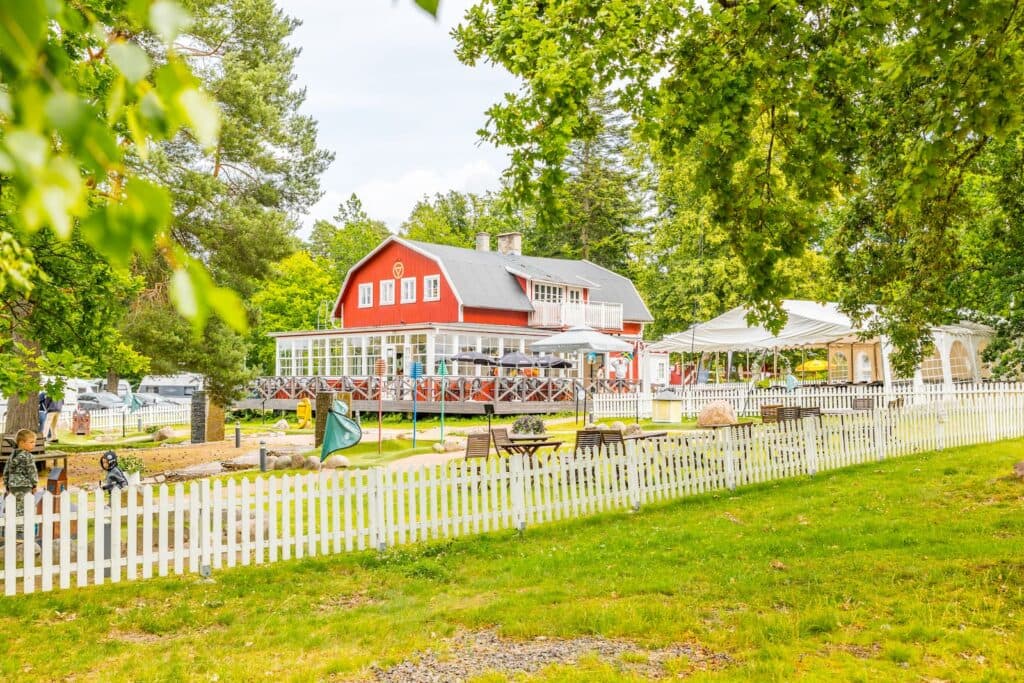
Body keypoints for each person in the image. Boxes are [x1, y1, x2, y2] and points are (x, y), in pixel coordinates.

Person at [4, 429, 38, 537]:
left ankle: (11, 531)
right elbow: (31, 471)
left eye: (34, 442)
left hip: (13, 486)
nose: (34, 444)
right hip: (24, 486)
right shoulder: (28, 456)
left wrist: (7, 485)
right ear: (22, 443)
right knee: (24, 509)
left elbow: (6, 471)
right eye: (31, 442)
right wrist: (34, 484)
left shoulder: (12, 455)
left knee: (14, 508)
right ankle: (21, 533)